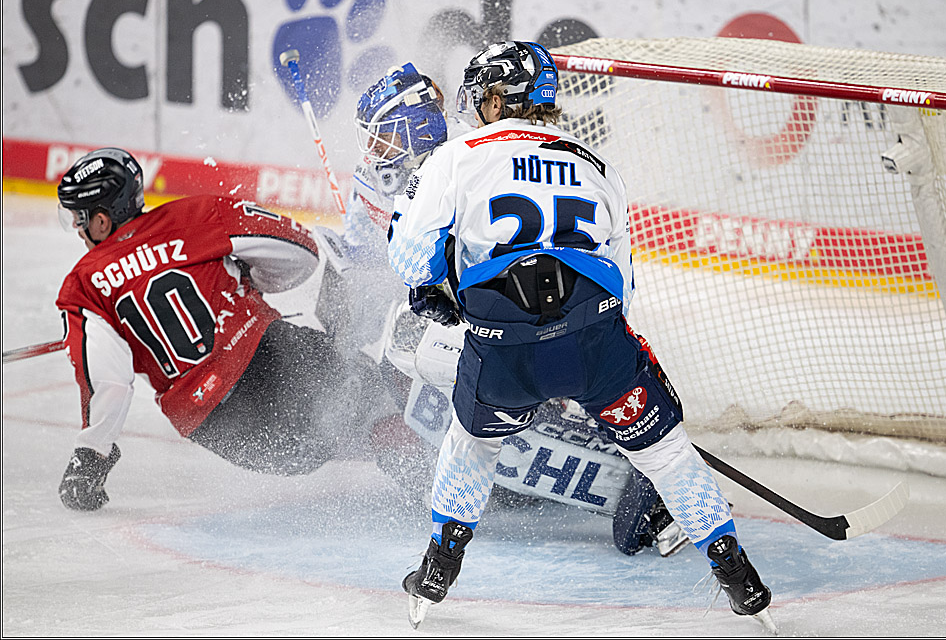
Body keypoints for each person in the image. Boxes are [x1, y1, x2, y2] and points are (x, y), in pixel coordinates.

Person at [387, 41, 774, 629]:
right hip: (596, 349)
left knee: (472, 445)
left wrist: (439, 288)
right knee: (669, 455)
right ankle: (741, 580)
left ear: (493, 98)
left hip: (503, 350)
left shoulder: (455, 156)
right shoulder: (598, 166)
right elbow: (621, 282)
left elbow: (413, 263)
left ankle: (438, 572)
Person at [352, 62, 688, 559]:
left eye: (381, 139)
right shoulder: (384, 177)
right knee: (408, 374)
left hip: (524, 317)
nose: (373, 152)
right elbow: (367, 250)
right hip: (492, 322)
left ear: (411, 129)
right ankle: (527, 446)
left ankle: (632, 462)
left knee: (447, 360)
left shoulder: (467, 157)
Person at [53, 147, 393, 511]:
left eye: (79, 218)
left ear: (102, 221)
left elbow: (108, 382)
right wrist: (248, 280)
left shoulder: (84, 286)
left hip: (225, 428)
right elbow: (302, 252)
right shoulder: (195, 215)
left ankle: (402, 455)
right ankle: (439, 489)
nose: (77, 229)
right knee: (379, 409)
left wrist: (90, 457)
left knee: (321, 440)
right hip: (272, 357)